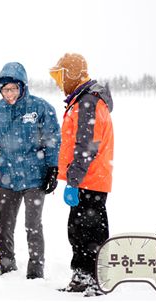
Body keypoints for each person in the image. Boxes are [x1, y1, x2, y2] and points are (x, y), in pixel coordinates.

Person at [0, 62, 61, 278]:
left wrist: (53, 168)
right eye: (5, 89)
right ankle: (7, 268)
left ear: (23, 86)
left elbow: (52, 140)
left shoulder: (40, 108)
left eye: (13, 89)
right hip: (8, 178)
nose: (9, 94)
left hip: (35, 178)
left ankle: (36, 272)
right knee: (5, 227)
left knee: (32, 226)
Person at [49, 53, 113, 297]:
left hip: (91, 180)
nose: (58, 82)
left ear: (72, 75)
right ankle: (81, 276)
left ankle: (95, 279)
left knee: (90, 233)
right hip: (86, 179)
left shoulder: (88, 102)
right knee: (78, 230)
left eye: (60, 76)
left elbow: (87, 147)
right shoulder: (81, 100)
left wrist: (73, 181)